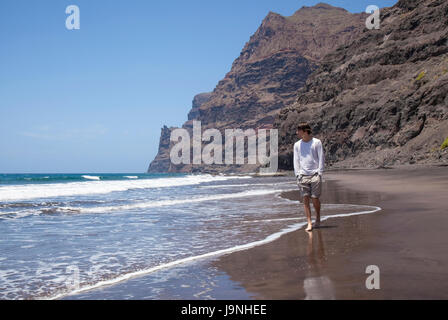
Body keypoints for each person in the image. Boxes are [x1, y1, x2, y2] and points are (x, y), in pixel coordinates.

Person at [293, 123, 325, 232]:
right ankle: (309, 223)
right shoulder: (297, 145)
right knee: (305, 199)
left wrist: (320, 173)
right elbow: (296, 160)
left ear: (305, 131)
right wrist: (298, 174)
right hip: (302, 176)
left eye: (298, 130)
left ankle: (318, 218)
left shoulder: (317, 142)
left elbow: (321, 158)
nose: (297, 133)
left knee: (315, 198)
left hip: (315, 175)